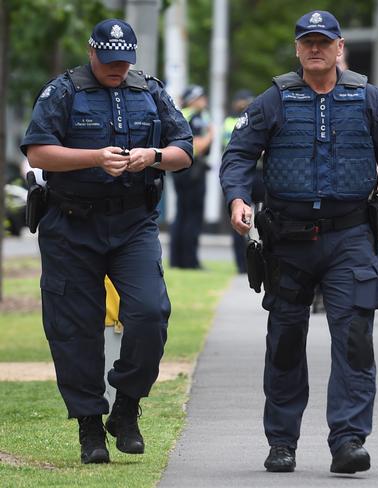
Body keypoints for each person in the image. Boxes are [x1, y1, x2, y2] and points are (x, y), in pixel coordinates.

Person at [220, 10, 378, 474]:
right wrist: (237, 198)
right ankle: (282, 442)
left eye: (324, 41)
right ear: (298, 49)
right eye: (307, 41)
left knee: (354, 338)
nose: (315, 48)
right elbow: (237, 156)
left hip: (350, 236)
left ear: (339, 48)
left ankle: (349, 439)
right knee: (286, 341)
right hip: (288, 241)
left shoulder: (369, 99)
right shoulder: (274, 100)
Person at [20, 19, 193, 464]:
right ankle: (90, 429)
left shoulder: (150, 91)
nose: (118, 68)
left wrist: (152, 156)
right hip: (71, 224)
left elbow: (184, 150)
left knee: (150, 312)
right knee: (75, 328)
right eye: (110, 60)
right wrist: (95, 157)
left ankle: (127, 407)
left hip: (133, 223)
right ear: (92, 52)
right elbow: (38, 151)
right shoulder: (63, 92)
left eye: (126, 60)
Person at [170, 84, 213, 269]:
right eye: (200, 97)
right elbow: (195, 147)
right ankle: (189, 261)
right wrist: (211, 134)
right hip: (191, 171)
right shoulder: (193, 117)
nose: (204, 100)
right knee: (192, 216)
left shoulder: (183, 114)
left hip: (183, 170)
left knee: (182, 214)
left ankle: (177, 260)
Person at [222, 89, 260, 274]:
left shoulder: (256, 118)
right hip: (241, 175)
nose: (246, 104)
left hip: (259, 176)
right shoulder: (232, 121)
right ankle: (242, 264)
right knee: (240, 220)